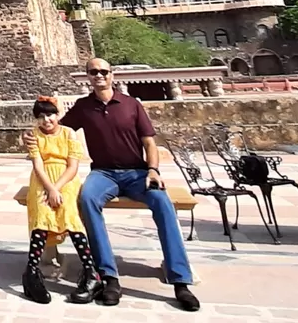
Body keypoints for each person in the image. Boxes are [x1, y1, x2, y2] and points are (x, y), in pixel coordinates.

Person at [22, 58, 200, 312]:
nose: (99, 76)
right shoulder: (84, 107)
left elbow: (149, 144)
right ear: (88, 76)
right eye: (93, 72)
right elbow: (53, 126)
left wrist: (153, 170)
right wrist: (28, 133)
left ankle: (180, 280)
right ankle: (107, 276)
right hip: (103, 173)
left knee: (163, 203)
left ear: (112, 75)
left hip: (137, 172)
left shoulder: (131, 105)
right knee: (87, 199)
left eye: (103, 71)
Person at [22, 96, 100, 305]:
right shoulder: (34, 136)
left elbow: (73, 166)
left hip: (66, 180)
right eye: (41, 116)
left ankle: (91, 272)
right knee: (42, 217)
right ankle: (31, 272)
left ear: (58, 115)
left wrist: (57, 189)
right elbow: (38, 165)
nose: (46, 120)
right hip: (42, 180)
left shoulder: (68, 134)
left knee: (71, 218)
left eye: (50, 115)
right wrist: (49, 189)